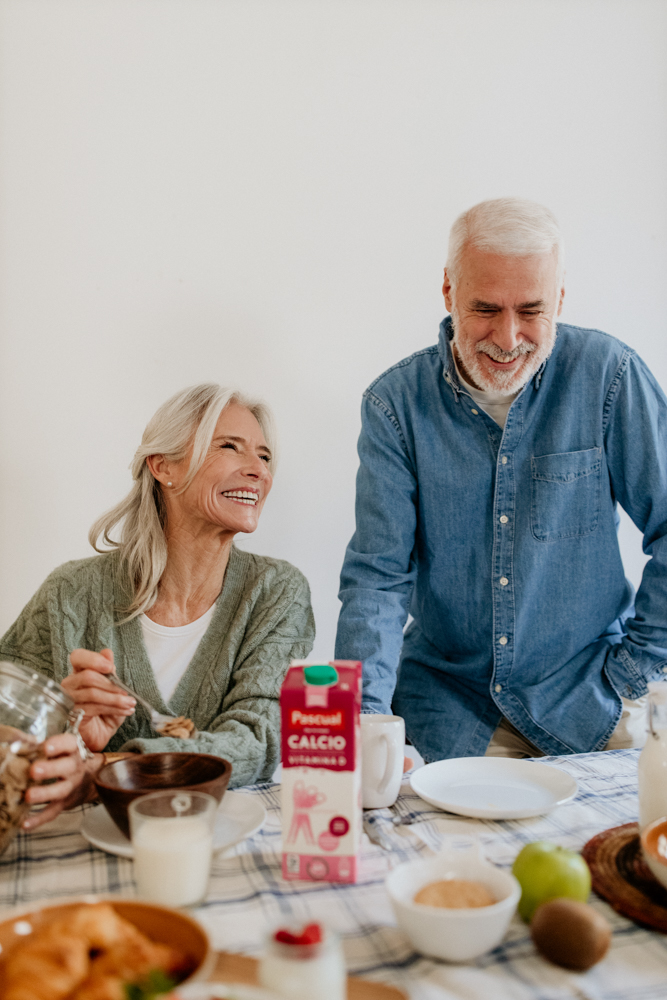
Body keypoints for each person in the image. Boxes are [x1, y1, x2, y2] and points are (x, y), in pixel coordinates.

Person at [335, 197, 667, 763]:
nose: (508, 338)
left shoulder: (609, 375)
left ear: (559, 299)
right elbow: (378, 578)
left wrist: (637, 670)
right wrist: (363, 718)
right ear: (448, 292)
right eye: (485, 309)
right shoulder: (394, 406)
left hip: (594, 699)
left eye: (531, 310)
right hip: (449, 708)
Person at [0, 383, 315, 827]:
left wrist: (106, 767)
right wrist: (58, 718)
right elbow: (7, 728)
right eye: (230, 447)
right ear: (163, 466)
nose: (258, 471)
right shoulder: (69, 592)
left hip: (226, 842)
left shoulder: (276, 591)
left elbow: (257, 742)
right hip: (87, 845)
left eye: (264, 456)